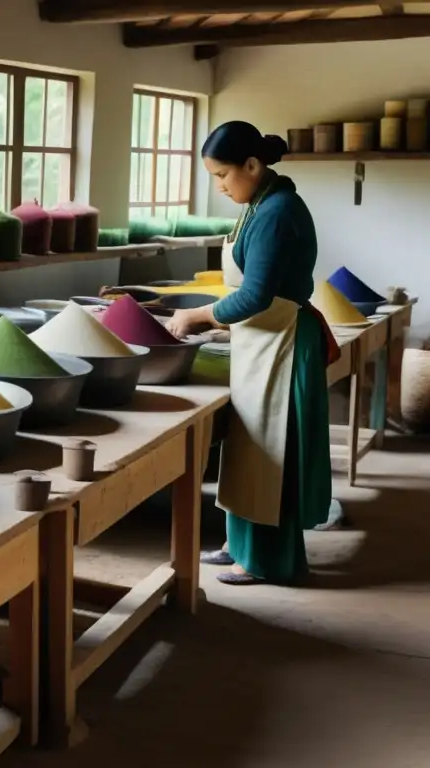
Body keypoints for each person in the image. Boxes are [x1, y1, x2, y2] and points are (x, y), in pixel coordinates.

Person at [166, 121, 336, 586]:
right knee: (248, 451)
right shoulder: (258, 203)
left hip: (280, 342)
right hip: (259, 341)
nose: (220, 186)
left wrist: (197, 317)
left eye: (223, 175)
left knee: (269, 454)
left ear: (253, 165)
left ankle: (267, 560)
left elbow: (257, 295)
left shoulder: (279, 211)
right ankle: (239, 545)